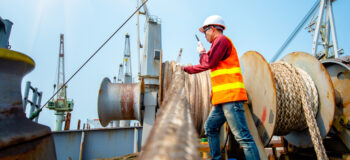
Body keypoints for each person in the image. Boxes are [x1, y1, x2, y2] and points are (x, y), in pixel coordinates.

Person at [183, 15, 260, 160]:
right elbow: (208, 61)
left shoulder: (221, 41)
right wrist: (203, 53)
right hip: (221, 100)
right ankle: (216, 158)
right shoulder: (216, 45)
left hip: (230, 98)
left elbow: (208, 63)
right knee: (210, 127)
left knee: (243, 137)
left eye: (205, 32)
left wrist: (189, 67)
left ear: (212, 29)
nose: (204, 35)